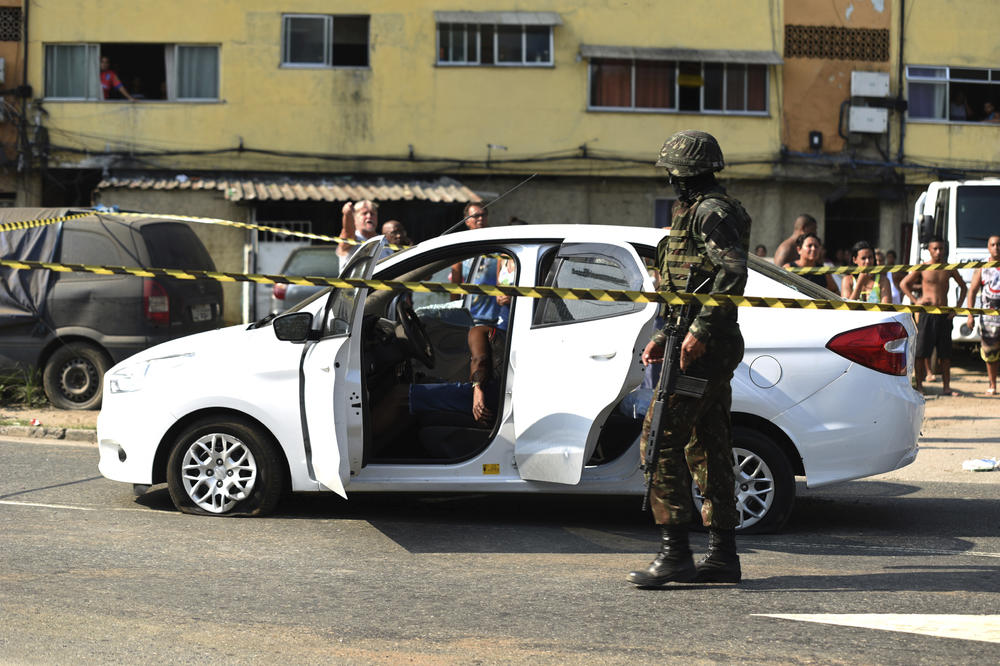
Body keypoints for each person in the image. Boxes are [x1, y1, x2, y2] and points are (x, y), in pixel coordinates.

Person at [627, 129, 751, 587]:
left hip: (705, 345)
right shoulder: (691, 211)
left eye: (674, 172)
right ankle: (722, 556)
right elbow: (686, 284)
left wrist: (699, 331)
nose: (671, 179)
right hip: (694, 339)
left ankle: (675, 553)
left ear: (687, 173)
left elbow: (732, 272)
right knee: (709, 444)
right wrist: (665, 334)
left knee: (659, 440)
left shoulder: (712, 211)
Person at [372, 324, 506, 444]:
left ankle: (364, 438)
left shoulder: (479, 330)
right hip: (498, 397)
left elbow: (480, 360)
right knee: (424, 385)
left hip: (486, 397)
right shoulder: (506, 335)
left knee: (400, 394)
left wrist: (477, 389)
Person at [900, 237, 968, 395]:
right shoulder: (923, 267)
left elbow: (964, 287)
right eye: (935, 249)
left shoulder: (949, 268)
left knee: (945, 354)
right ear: (929, 250)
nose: (938, 252)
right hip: (927, 315)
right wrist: (916, 301)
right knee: (921, 353)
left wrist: (956, 309)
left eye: (941, 248)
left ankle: (946, 387)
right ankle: (920, 387)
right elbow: (904, 284)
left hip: (944, 315)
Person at [966, 235, 1000, 395]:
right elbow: (972, 291)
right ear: (988, 247)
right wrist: (970, 315)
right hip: (988, 320)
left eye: (999, 244)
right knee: (990, 353)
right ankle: (992, 385)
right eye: (993, 244)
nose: (996, 247)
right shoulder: (982, 267)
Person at [336, 199, 379, 264]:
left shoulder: (384, 241)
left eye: (372, 214)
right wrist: (347, 214)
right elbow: (348, 233)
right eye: (364, 213)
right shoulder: (352, 239)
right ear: (354, 218)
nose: (369, 216)